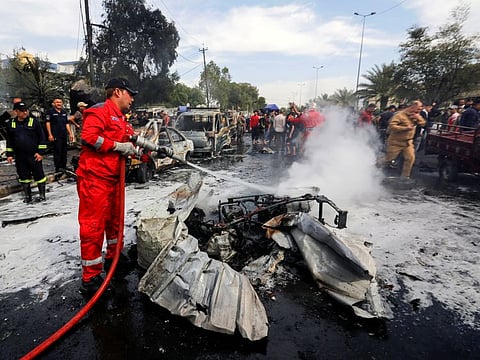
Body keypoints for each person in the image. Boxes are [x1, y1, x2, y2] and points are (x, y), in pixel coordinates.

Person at [76, 77, 171, 295]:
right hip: (95, 179)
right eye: (130, 94)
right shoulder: (99, 111)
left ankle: (114, 258)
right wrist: (118, 146)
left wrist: (151, 150)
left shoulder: (120, 118)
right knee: (93, 227)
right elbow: (89, 138)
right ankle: (90, 277)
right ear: (117, 92)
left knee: (115, 221)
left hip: (114, 180)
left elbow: (132, 141)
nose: (132, 99)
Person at [5, 101, 48, 202]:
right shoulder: (11, 124)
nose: (25, 112)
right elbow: (9, 140)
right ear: (16, 111)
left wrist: (40, 152)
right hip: (20, 156)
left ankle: (42, 195)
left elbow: (42, 138)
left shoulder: (34, 122)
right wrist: (9, 154)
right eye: (22, 111)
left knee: (39, 175)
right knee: (23, 176)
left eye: (26, 110)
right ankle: (28, 196)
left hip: (34, 154)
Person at [380, 100, 426, 179]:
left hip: (408, 142)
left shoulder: (416, 115)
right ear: (412, 106)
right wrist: (405, 128)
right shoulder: (400, 115)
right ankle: (374, 166)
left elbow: (423, 124)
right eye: (417, 109)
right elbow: (392, 126)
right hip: (395, 142)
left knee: (410, 158)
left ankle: (405, 177)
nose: (419, 111)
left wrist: (418, 118)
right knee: (389, 159)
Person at [45, 98, 74, 173]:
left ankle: (64, 166)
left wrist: (70, 133)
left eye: (60, 102)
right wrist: (50, 134)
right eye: (57, 102)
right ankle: (58, 167)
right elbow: (48, 123)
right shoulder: (50, 112)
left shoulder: (64, 112)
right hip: (55, 135)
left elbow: (67, 123)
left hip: (63, 134)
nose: (59, 104)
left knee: (64, 151)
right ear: (53, 104)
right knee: (57, 151)